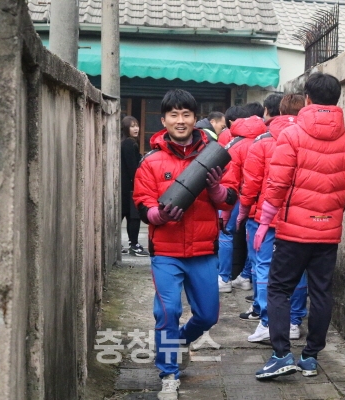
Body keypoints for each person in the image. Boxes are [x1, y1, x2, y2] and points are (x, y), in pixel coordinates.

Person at [254, 73, 345, 380]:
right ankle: (310, 357)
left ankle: (281, 354)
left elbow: (277, 183)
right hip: (328, 233)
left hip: (293, 232)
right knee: (321, 293)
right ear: (337, 99)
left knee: (279, 289)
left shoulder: (292, 136)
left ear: (307, 99)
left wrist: (264, 223)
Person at [133, 89, 238, 400]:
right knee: (168, 312)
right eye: (174, 115)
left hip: (203, 250)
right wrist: (160, 214)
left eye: (186, 114)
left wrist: (216, 189)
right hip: (166, 252)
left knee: (207, 316)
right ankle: (169, 374)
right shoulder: (150, 161)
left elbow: (231, 198)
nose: (180, 120)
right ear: (163, 120)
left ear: (195, 119)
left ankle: (178, 342)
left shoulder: (213, 157)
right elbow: (142, 204)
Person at [237, 94, 308, 342]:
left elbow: (251, 183)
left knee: (265, 267)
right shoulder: (309, 140)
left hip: (264, 216)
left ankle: (268, 321)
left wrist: (243, 211)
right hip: (298, 217)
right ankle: (294, 321)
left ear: (273, 111)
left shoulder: (262, 142)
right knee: (298, 268)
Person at [216, 106, 254, 293]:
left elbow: (229, 178)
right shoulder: (267, 139)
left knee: (226, 233)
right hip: (259, 198)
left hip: (237, 196)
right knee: (254, 238)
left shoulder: (232, 142)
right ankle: (246, 276)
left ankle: (224, 279)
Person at [121, 116, 149, 256]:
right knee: (133, 216)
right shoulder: (129, 143)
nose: (136, 128)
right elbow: (133, 168)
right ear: (126, 128)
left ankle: (124, 244)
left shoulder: (127, 142)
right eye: (132, 126)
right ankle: (134, 245)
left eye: (136, 125)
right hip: (129, 186)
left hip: (124, 186)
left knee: (125, 215)